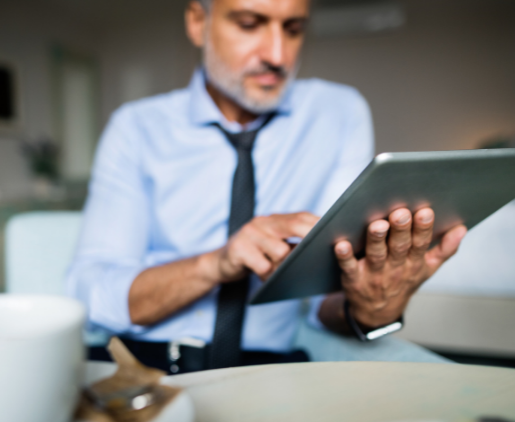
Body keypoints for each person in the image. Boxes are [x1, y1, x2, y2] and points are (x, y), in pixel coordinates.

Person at [66, 0, 467, 374]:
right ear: (197, 22)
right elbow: (92, 295)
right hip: (144, 361)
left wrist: (371, 307)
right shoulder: (136, 127)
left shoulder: (340, 114)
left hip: (267, 369)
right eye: (249, 24)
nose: (277, 55)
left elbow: (322, 301)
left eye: (293, 29)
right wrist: (217, 264)